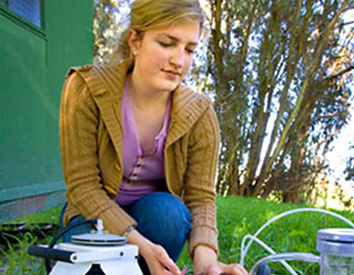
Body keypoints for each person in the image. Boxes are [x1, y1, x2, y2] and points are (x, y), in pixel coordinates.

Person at [58, 0, 248, 274]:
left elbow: (201, 198)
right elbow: (82, 188)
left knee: (169, 214)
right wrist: (139, 245)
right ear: (135, 41)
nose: (179, 60)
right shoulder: (86, 89)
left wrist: (206, 261)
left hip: (154, 221)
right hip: (92, 220)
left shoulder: (200, 113)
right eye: (167, 43)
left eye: (189, 49)